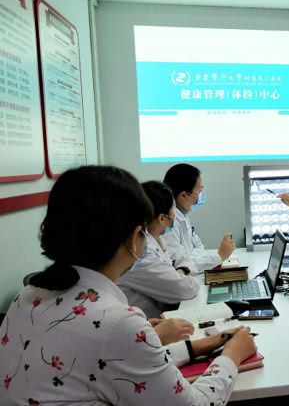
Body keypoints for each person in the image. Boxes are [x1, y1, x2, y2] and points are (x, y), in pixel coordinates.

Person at [0, 166, 256, 405]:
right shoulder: (116, 322)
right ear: (135, 238)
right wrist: (231, 355)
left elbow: (116, 362)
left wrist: (196, 346)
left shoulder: (27, 296)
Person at [117, 181, 200, 319]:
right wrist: (179, 276)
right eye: (174, 207)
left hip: (157, 318)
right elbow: (186, 289)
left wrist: (180, 272)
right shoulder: (140, 253)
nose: (175, 213)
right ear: (162, 218)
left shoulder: (156, 239)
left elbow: (182, 257)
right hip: (145, 323)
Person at [162, 163, 235, 274]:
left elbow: (198, 249)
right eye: (199, 191)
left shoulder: (182, 215)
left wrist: (197, 258)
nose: (201, 195)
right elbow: (181, 265)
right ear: (184, 195)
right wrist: (219, 256)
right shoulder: (169, 224)